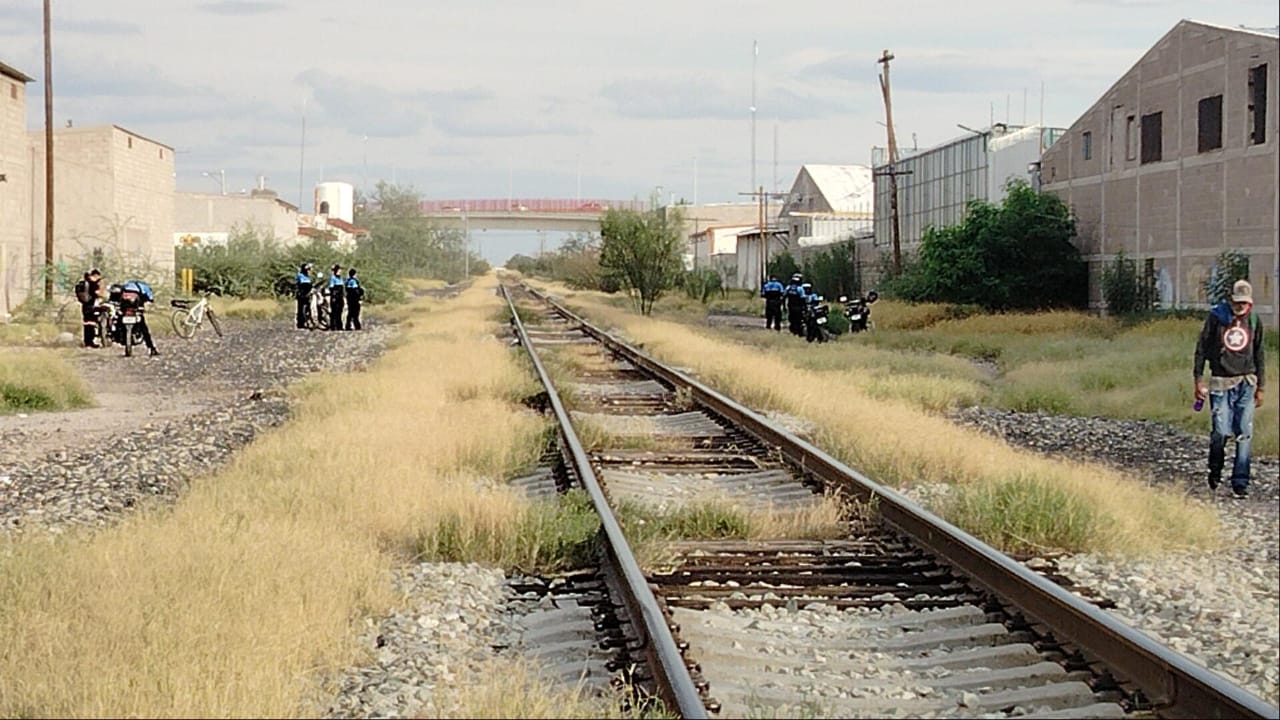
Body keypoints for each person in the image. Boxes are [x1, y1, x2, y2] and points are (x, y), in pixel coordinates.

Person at [1194, 279, 1266, 498]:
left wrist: (1261, 385)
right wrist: (1198, 379)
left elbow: (1259, 353)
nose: (1240, 306)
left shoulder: (1254, 321)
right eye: (1237, 302)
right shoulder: (1216, 318)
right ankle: (1215, 469)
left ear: (1250, 304)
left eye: (1244, 303)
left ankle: (1240, 482)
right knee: (1221, 431)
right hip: (1220, 383)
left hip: (1246, 382)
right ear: (1230, 300)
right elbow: (1202, 349)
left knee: (1244, 432)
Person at [118, 278, 160, 357]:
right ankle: (151, 348)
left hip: (124, 309)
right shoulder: (144, 287)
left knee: (119, 323)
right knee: (144, 329)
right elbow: (150, 298)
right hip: (135, 309)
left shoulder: (126, 285)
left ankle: (120, 337)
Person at [75, 268, 104, 348]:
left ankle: (87, 341)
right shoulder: (92, 283)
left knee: (87, 323)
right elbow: (96, 293)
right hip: (91, 305)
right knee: (91, 323)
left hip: (85, 305)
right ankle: (90, 342)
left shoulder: (84, 282)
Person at [295, 262, 313, 329]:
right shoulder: (299, 275)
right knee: (300, 309)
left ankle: (307, 321)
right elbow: (297, 285)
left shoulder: (308, 277)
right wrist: (299, 293)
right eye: (307, 269)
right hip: (301, 294)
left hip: (308, 294)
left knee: (307, 308)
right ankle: (300, 324)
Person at [327, 264, 345, 331]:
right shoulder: (333, 278)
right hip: (335, 296)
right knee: (334, 311)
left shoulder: (340, 278)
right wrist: (334, 296)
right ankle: (333, 326)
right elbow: (331, 288)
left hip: (340, 296)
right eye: (339, 270)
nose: (340, 271)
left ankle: (339, 325)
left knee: (340, 311)